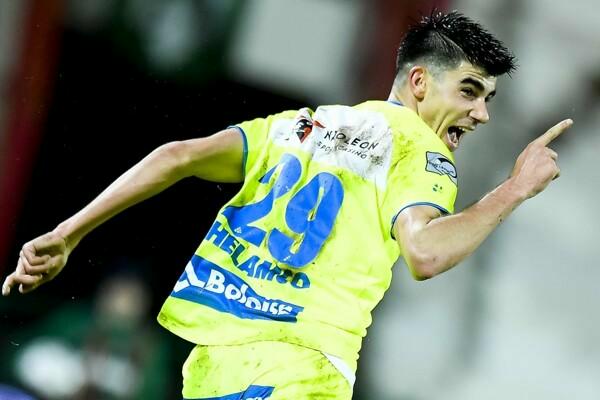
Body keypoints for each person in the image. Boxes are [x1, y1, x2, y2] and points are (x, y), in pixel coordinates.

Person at [2, 11, 571, 400]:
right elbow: (424, 252)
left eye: (488, 98)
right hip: (303, 368)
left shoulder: (304, 126)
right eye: (469, 90)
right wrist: (513, 189)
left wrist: (69, 232)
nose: (482, 114)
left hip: (214, 366)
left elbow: (178, 155)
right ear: (419, 82)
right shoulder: (420, 151)